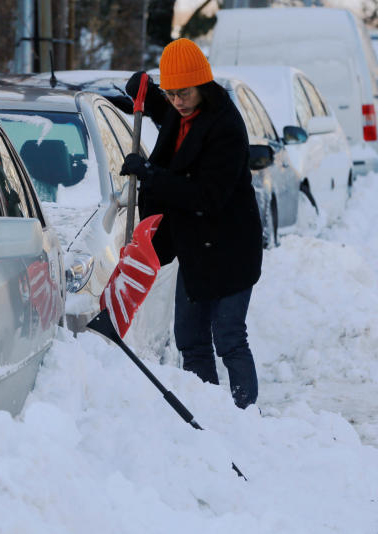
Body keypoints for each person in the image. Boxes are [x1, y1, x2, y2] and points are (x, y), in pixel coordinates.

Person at [119, 38, 263, 409]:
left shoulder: (225, 127)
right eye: (170, 94)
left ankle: (246, 416)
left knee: (229, 336)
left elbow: (205, 196)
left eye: (183, 93)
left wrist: (150, 173)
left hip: (231, 248)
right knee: (189, 337)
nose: (177, 101)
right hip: (197, 246)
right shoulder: (179, 112)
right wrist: (145, 89)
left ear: (202, 84)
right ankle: (209, 411)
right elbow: (159, 110)